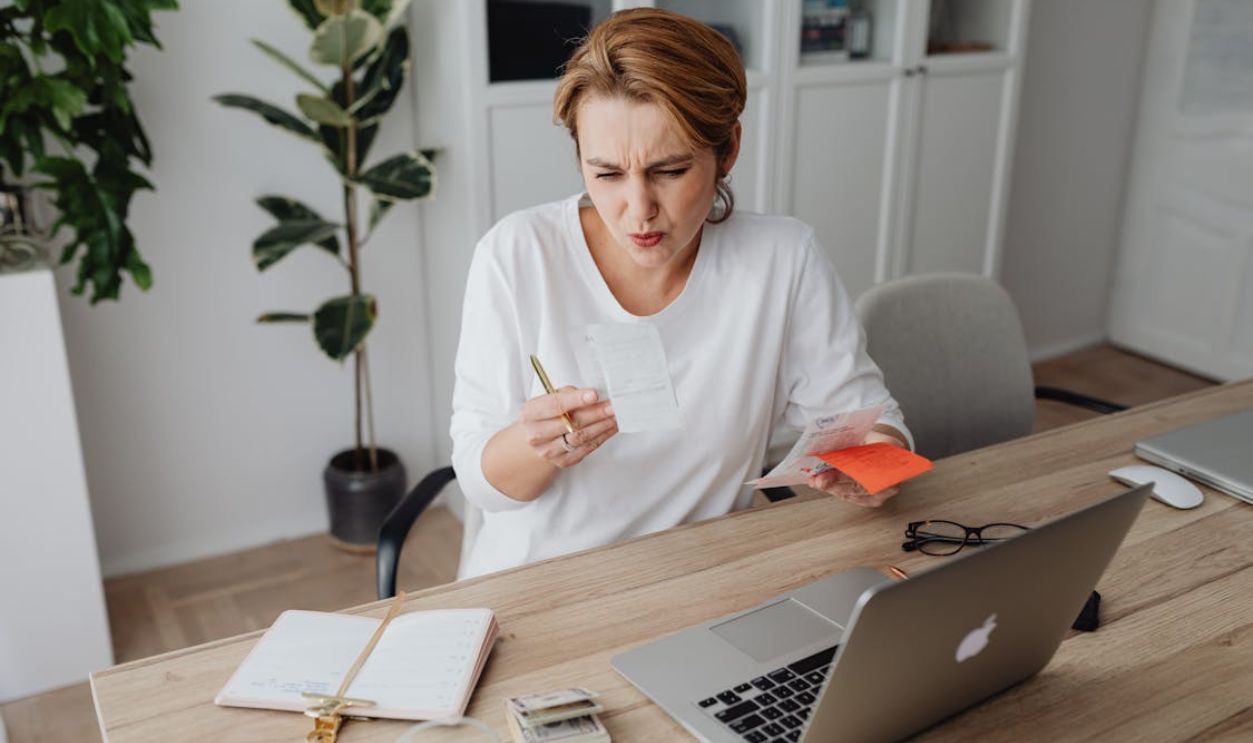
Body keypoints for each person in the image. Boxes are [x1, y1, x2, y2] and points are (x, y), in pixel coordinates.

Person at [450, 8, 911, 579]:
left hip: (705, 583)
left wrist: (870, 468)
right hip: (545, 589)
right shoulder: (518, 255)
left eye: (669, 170)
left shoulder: (782, 259)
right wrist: (535, 445)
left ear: (728, 150)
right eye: (607, 174)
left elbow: (871, 420)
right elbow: (480, 482)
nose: (638, 209)